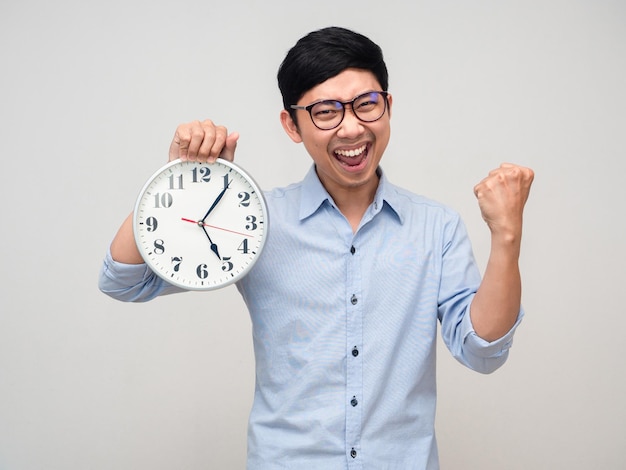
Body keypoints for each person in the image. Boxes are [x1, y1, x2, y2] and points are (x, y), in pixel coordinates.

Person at [100, 26, 534, 469]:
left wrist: (506, 236)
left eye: (367, 104)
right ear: (292, 124)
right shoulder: (256, 220)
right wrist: (178, 181)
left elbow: (481, 350)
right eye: (326, 111)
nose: (351, 127)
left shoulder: (435, 226)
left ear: (388, 107)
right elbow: (125, 280)